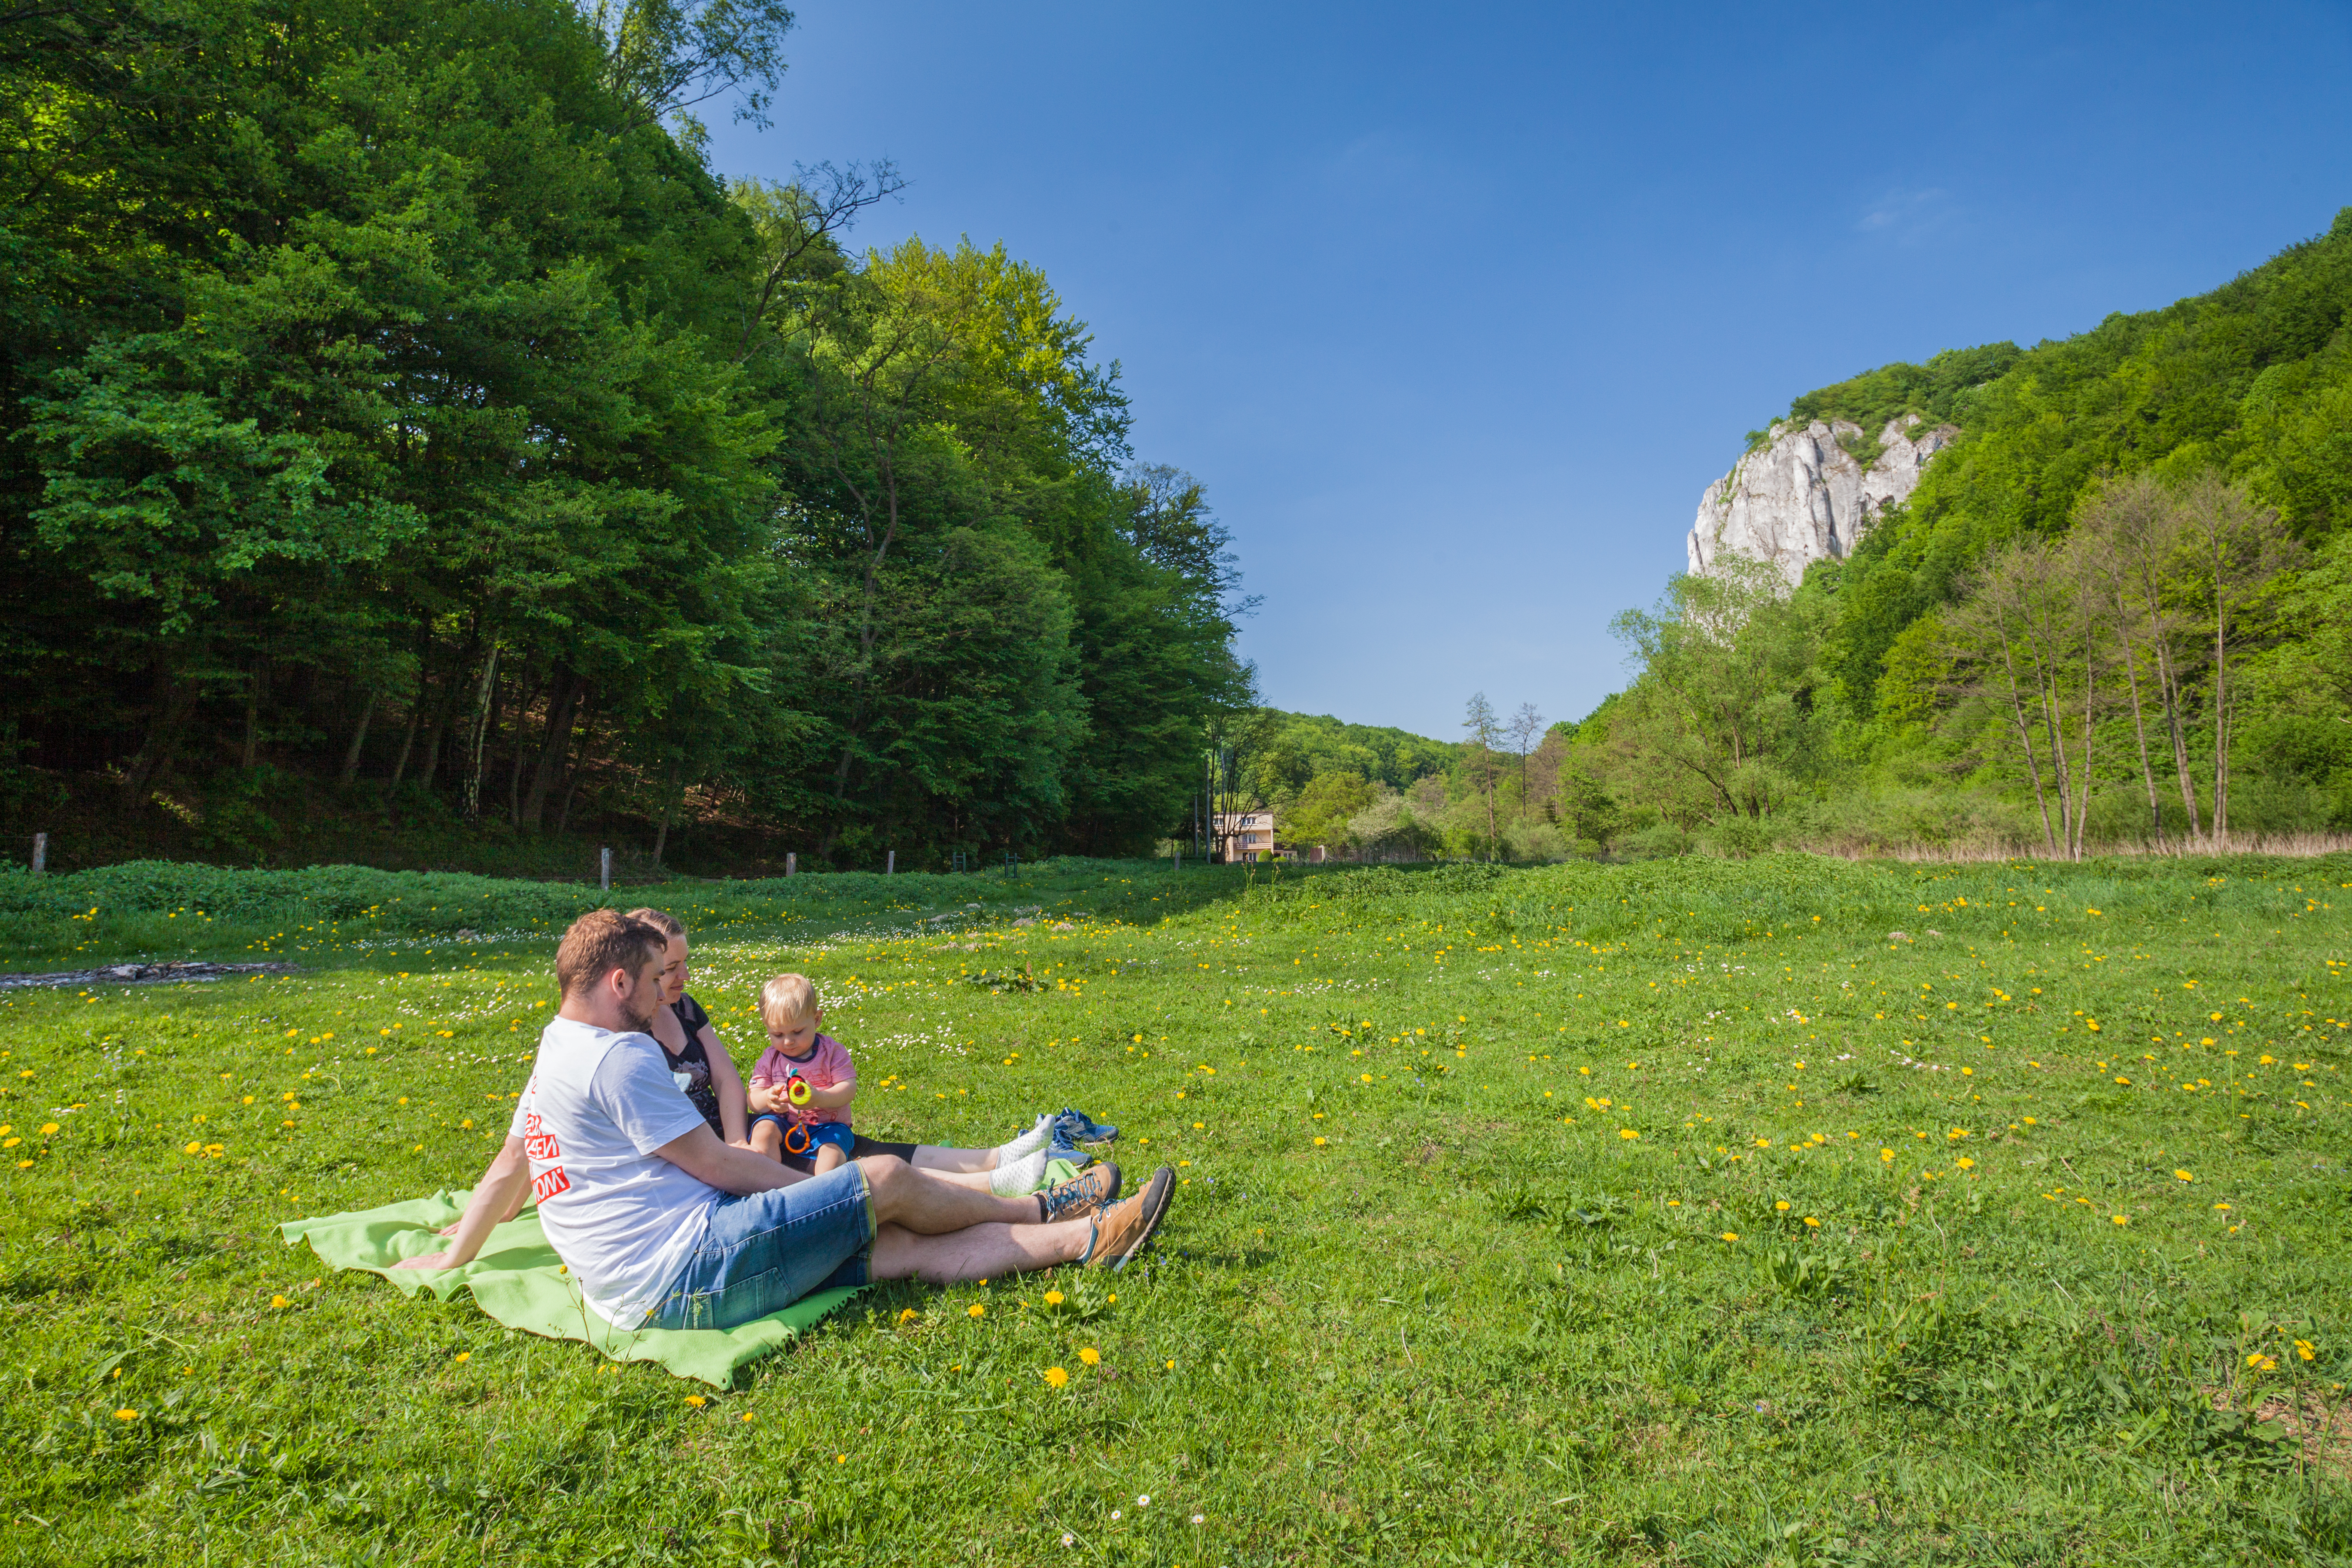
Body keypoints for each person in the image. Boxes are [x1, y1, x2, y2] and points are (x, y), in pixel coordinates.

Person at [396, 911, 1171, 1329]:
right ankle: (1047, 1203)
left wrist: (455, 1253)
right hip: (685, 1273)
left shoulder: (557, 1043)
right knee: (883, 1180)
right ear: (618, 979)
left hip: (649, 1278)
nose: (666, 993)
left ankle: (1087, 1238)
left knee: (894, 1245)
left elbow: (510, 1165)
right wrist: (803, 1193)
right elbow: (724, 1166)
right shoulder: (618, 1056)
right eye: (654, 981)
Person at [625, 906, 747, 1145]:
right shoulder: (626, 1030)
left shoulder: (685, 1008)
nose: (687, 975)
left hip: (725, 1133)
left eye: (685, 962)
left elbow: (726, 1079)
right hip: (686, 1151)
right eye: (672, 968)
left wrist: (738, 1143)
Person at [746, 974, 855, 1174]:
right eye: (778, 1035)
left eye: (797, 1032)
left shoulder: (832, 1052)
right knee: (763, 1131)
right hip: (784, 1124)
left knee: (832, 1151)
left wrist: (819, 1098)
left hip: (829, 1127)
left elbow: (849, 1090)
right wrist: (767, 1099)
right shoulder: (771, 1058)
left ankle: (823, 1191)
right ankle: (769, 1181)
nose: (788, 1042)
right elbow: (753, 1099)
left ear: (817, 1019)